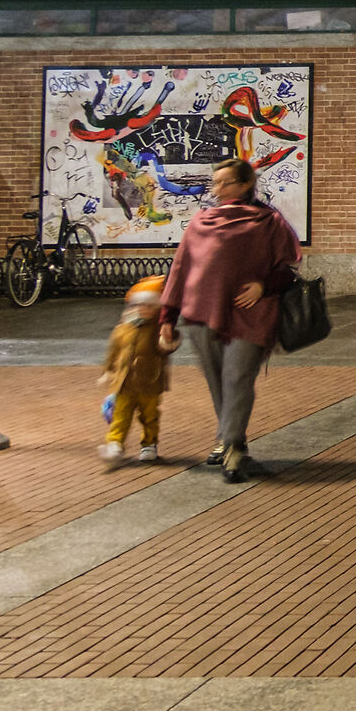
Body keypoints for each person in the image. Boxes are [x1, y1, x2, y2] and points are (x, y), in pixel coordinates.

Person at [154, 158, 301, 483]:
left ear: (246, 184)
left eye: (226, 183)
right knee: (219, 381)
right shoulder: (201, 222)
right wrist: (168, 315)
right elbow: (180, 269)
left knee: (237, 379)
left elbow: (288, 269)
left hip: (252, 314)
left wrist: (264, 286)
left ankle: (234, 448)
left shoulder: (269, 222)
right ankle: (229, 438)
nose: (218, 189)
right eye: (216, 183)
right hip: (201, 313)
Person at [98, 275, 172, 466]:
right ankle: (114, 443)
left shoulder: (158, 329)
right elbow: (114, 351)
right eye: (140, 305)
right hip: (124, 383)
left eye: (149, 305)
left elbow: (166, 349)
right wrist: (108, 371)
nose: (144, 309)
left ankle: (149, 443)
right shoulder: (124, 328)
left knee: (150, 416)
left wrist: (168, 341)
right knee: (120, 416)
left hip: (150, 383)